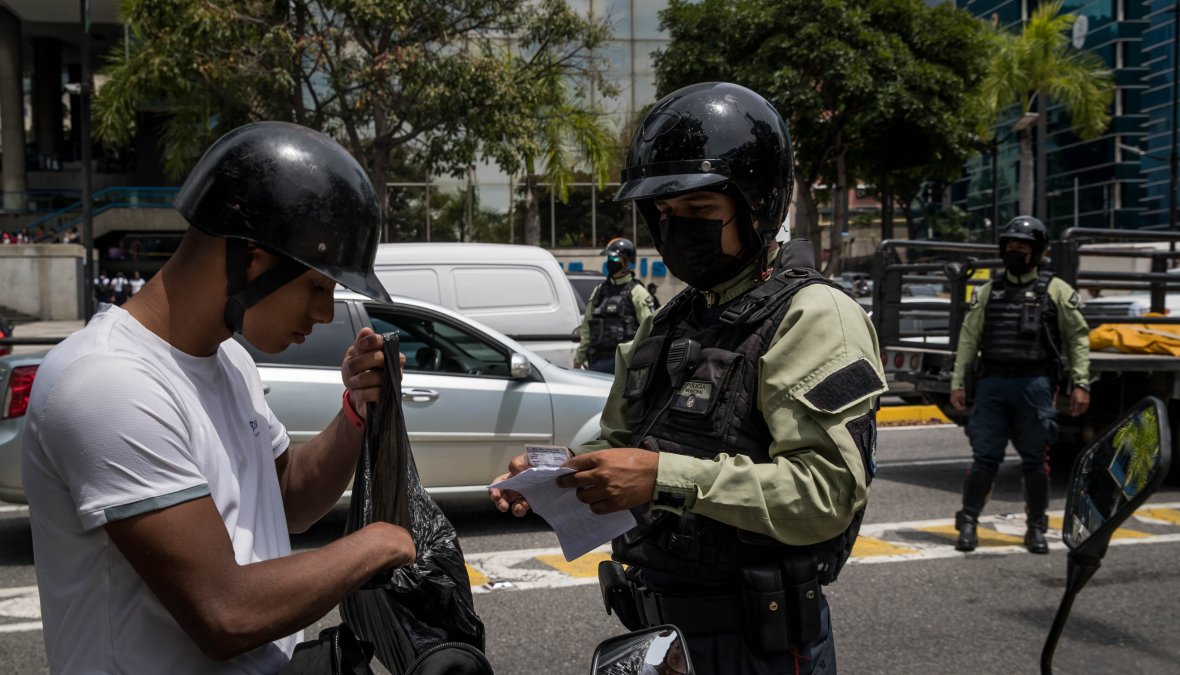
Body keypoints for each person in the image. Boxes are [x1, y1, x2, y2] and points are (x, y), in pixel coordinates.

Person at [492, 82, 882, 675]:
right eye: (664, 216)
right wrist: (559, 471)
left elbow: (825, 496)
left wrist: (663, 478)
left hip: (754, 644)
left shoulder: (813, 315)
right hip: (656, 637)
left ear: (761, 205)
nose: (677, 232)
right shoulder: (672, 320)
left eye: (700, 213)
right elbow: (625, 446)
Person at [21, 121, 415, 674]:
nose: (326, 313)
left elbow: (289, 498)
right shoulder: (106, 381)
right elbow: (223, 611)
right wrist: (378, 544)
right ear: (252, 257)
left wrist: (355, 412)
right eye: (317, 287)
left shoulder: (228, 359)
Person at [949, 215, 1091, 554]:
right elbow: (969, 340)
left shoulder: (1057, 291)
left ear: (1039, 252)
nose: (1015, 251)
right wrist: (958, 382)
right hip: (993, 384)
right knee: (985, 458)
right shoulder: (989, 291)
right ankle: (968, 523)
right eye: (1010, 245)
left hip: (1036, 384)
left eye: (1023, 247)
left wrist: (1081, 382)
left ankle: (1036, 527)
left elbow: (1078, 340)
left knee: (1034, 461)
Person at [574, 237, 655, 373]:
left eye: (616, 259)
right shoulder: (599, 291)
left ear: (627, 263)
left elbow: (649, 331)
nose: (611, 262)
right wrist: (579, 359)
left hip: (626, 364)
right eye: (609, 259)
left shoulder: (638, 293)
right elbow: (587, 328)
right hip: (597, 363)